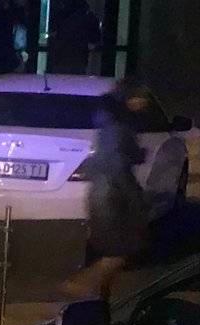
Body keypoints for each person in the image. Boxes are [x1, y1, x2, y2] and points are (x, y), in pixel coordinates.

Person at [61, 79, 150, 300]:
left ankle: (96, 294)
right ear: (128, 98)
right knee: (120, 251)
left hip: (104, 192)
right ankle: (81, 284)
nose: (143, 103)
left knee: (113, 250)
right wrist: (135, 199)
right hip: (112, 195)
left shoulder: (112, 121)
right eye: (139, 98)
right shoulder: (119, 126)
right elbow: (116, 166)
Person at [49, 0, 101, 75]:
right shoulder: (89, 16)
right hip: (79, 58)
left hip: (60, 57)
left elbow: (52, 31)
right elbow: (94, 40)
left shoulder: (61, 14)